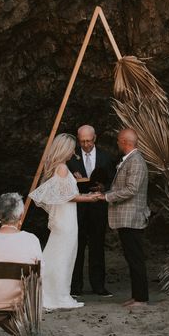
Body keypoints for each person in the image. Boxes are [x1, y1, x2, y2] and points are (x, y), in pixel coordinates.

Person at [28, 133, 101, 310]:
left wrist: (84, 194)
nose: (73, 153)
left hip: (65, 216)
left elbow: (66, 193)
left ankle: (54, 293)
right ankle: (57, 296)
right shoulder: (61, 168)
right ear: (64, 149)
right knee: (64, 256)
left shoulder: (61, 167)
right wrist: (89, 198)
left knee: (61, 254)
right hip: (66, 218)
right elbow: (67, 197)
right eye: (71, 149)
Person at [0, 192, 42, 331]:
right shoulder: (32, 240)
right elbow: (40, 273)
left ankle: (22, 335)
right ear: (21, 215)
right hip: (22, 301)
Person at [102, 128, 150, 309]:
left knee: (136, 259)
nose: (116, 143)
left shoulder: (136, 161)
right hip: (127, 219)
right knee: (131, 259)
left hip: (132, 218)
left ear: (124, 141)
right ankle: (136, 296)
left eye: (118, 140)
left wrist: (107, 197)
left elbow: (131, 189)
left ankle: (141, 299)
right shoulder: (130, 160)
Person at [70, 124, 115, 297]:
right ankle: (76, 287)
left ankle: (98, 286)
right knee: (77, 247)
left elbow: (113, 180)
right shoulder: (71, 157)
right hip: (78, 208)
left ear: (95, 138)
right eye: (82, 141)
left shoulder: (105, 156)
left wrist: (104, 187)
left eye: (89, 141)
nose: (86, 144)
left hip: (98, 207)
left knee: (97, 247)